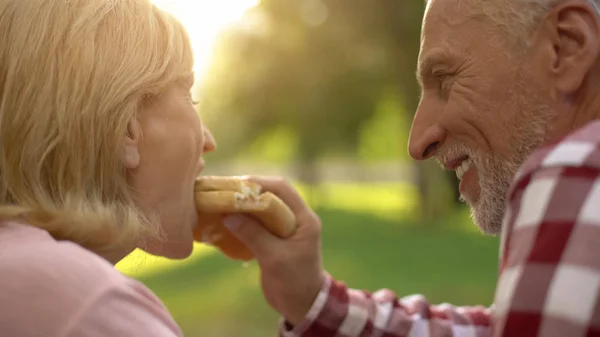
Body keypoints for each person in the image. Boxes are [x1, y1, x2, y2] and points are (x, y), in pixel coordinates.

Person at [222, 0, 600, 336]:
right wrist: (311, 300)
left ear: (565, 47)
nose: (417, 142)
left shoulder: (578, 168)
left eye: (446, 79)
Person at [0, 0, 217, 336]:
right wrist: (314, 304)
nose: (208, 140)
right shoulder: (85, 304)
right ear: (124, 131)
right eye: (189, 95)